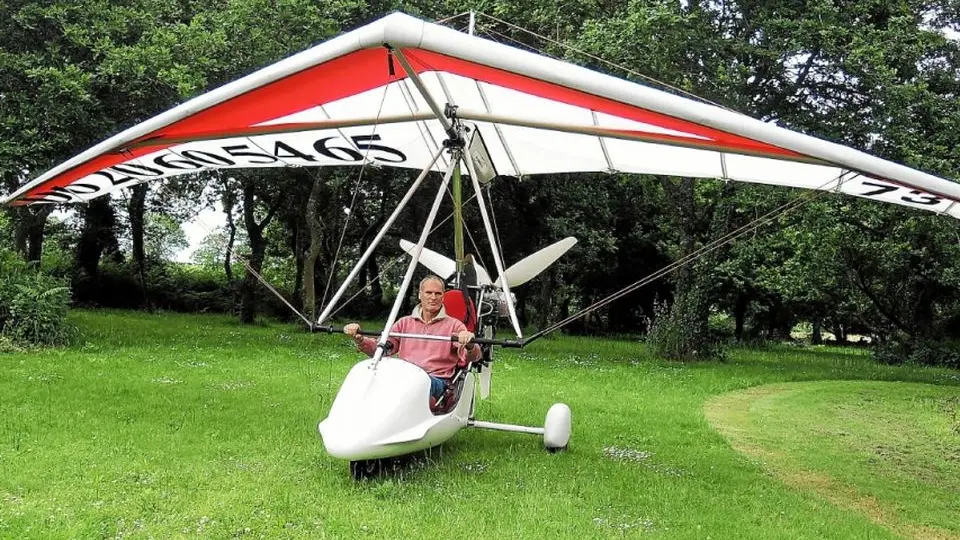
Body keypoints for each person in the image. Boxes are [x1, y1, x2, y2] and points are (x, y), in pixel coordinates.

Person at [344, 275, 480, 400]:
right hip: (405, 375)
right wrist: (360, 339)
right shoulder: (404, 323)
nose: (433, 297)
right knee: (368, 376)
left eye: (438, 293)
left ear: (443, 297)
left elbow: (473, 357)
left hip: (435, 380)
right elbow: (382, 349)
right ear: (420, 295)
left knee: (413, 383)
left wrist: (469, 344)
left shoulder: (454, 325)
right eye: (429, 293)